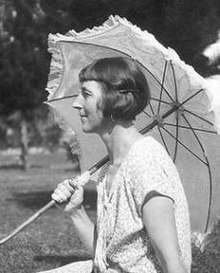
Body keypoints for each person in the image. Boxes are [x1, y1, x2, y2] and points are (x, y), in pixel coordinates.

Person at [39, 57, 191, 273]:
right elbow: (105, 255)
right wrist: (76, 212)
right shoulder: (110, 166)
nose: (77, 103)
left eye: (86, 94)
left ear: (113, 101)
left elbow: (172, 263)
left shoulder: (145, 163)